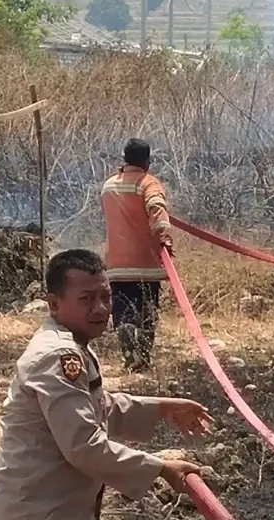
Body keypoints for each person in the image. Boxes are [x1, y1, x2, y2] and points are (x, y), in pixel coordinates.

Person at [0, 249, 213, 520]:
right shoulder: (59, 355)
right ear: (54, 303)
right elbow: (84, 445)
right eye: (87, 299)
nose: (100, 308)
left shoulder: (71, 344)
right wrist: (160, 468)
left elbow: (97, 406)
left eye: (105, 296)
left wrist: (162, 407)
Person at [101, 138, 173, 372]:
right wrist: (165, 237)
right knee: (147, 311)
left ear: (124, 158)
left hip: (117, 264)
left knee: (122, 307)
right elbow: (156, 208)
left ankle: (127, 341)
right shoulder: (148, 183)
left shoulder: (108, 186)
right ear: (147, 161)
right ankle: (142, 357)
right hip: (146, 263)